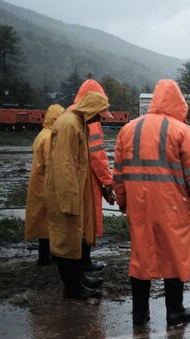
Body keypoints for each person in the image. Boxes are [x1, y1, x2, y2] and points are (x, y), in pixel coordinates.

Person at [113, 79, 190, 326]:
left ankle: (140, 315)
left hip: (139, 205)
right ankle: (175, 312)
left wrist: (123, 202)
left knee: (140, 257)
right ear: (179, 103)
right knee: (174, 255)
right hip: (172, 206)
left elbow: (119, 174)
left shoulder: (128, 129)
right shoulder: (180, 131)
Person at [45, 91, 113, 299]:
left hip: (73, 193)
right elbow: (64, 165)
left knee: (74, 239)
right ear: (91, 110)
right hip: (67, 196)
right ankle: (72, 288)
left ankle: (78, 280)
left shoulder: (77, 123)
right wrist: (69, 201)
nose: (100, 119)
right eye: (100, 114)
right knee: (67, 241)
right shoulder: (69, 125)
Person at [70, 80, 115, 272]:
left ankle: (79, 264)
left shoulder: (71, 114)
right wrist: (108, 182)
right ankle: (84, 263)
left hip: (75, 177)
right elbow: (97, 155)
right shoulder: (90, 119)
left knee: (77, 222)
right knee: (88, 220)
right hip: (87, 179)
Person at [24, 104, 64, 266]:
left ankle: (45, 255)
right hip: (45, 186)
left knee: (43, 222)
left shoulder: (42, 134)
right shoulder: (49, 137)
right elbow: (51, 163)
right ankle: (46, 256)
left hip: (39, 185)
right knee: (48, 222)